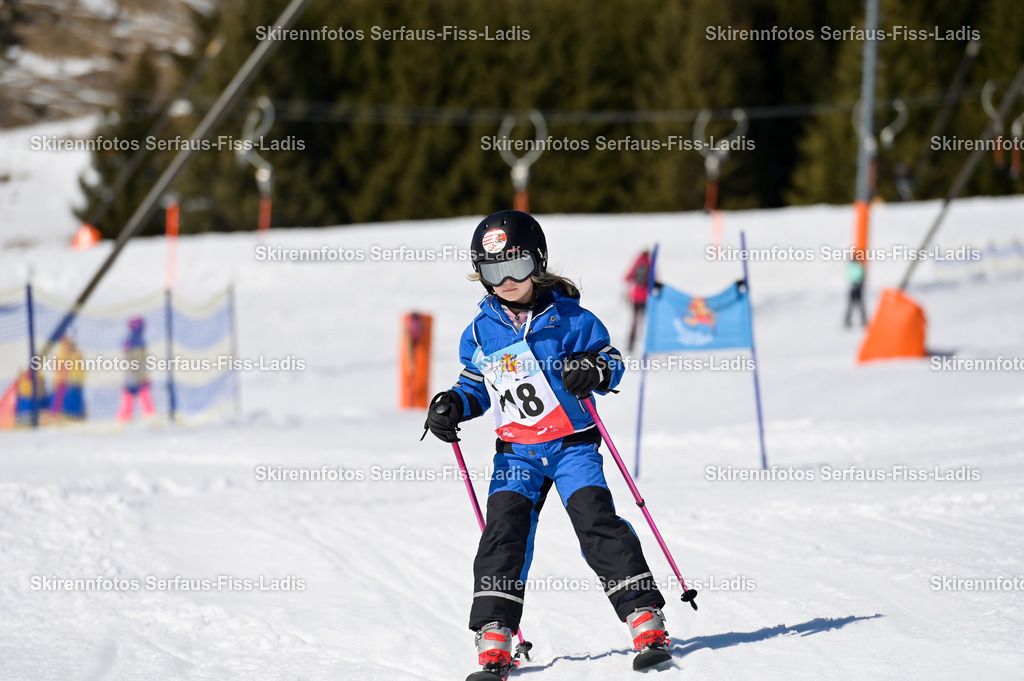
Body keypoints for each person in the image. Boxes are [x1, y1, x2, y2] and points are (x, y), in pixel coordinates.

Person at [423, 211, 670, 678]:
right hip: (517, 453)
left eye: (516, 266)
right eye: (494, 272)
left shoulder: (572, 318)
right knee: (504, 532)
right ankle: (495, 632)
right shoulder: (480, 332)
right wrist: (454, 403)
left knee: (596, 522)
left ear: (538, 262)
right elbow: (477, 385)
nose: (507, 280)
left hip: (573, 446)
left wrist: (593, 370)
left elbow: (611, 361)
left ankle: (644, 616)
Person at [117, 316, 155, 421]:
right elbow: (128, 357)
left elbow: (143, 359)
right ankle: (124, 418)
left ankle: (149, 415)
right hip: (133, 374)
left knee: (144, 396)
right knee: (130, 397)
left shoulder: (139, 340)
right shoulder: (131, 340)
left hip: (139, 373)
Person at [623, 250, 651, 353]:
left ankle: (631, 344)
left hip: (635, 297)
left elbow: (626, 277)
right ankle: (649, 344)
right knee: (647, 322)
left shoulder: (637, 263)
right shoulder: (650, 264)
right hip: (646, 298)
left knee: (634, 322)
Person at [844, 259, 868, 328]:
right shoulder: (859, 266)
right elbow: (861, 275)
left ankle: (847, 320)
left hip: (852, 286)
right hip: (858, 286)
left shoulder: (850, 267)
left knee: (851, 305)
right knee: (859, 305)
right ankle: (863, 320)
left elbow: (848, 276)